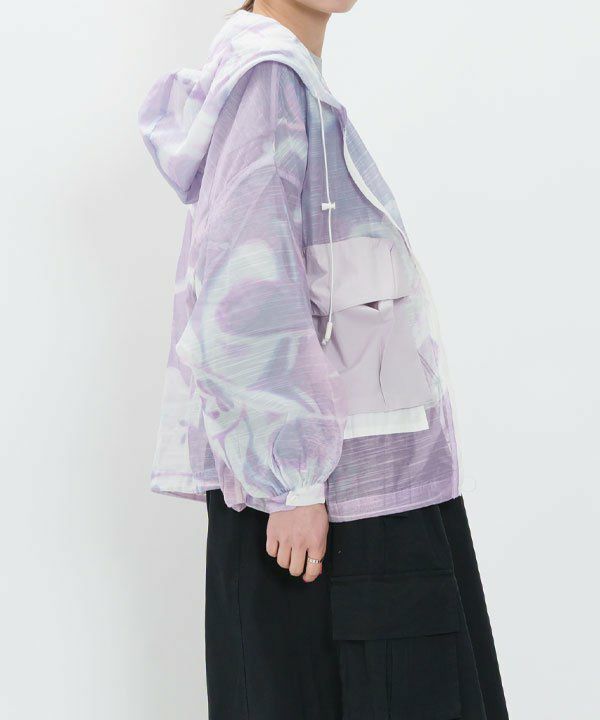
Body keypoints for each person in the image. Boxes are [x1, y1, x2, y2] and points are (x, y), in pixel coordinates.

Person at [139, 2, 509, 718]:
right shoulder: (268, 79)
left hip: (353, 492)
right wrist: (294, 483)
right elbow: (244, 290)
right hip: (327, 512)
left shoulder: (289, 81)